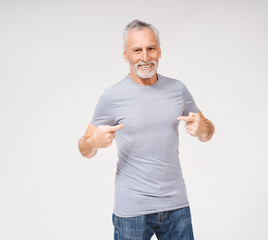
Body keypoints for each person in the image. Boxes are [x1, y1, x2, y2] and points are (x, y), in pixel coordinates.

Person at [78, 19, 214, 240]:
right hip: (132, 210)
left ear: (159, 51)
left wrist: (203, 130)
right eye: (137, 50)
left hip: (176, 206)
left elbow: (208, 132)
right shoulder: (112, 96)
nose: (145, 57)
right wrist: (93, 143)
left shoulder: (177, 89)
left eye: (151, 48)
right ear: (125, 55)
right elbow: (84, 147)